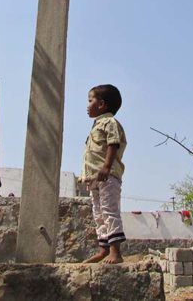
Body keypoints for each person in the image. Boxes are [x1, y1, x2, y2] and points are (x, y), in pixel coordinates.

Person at [81, 84, 127, 264]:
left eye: (90, 101)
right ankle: (104, 249)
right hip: (94, 178)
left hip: (107, 176)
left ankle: (115, 252)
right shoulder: (96, 126)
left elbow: (113, 144)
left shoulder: (110, 123)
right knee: (98, 214)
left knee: (109, 210)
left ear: (101, 104)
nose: (87, 105)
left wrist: (106, 167)